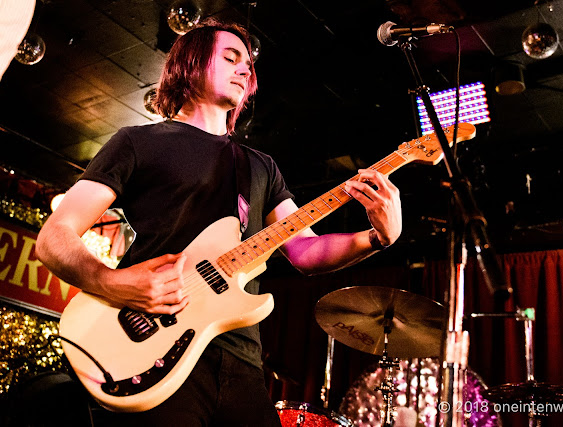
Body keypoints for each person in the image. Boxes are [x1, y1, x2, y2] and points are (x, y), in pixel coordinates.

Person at [35, 18, 402, 426]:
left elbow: (304, 250)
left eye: (248, 64)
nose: (245, 69)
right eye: (230, 58)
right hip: (153, 346)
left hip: (242, 359)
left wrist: (377, 236)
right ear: (190, 64)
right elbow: (55, 236)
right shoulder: (137, 143)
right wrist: (112, 282)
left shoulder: (261, 167)